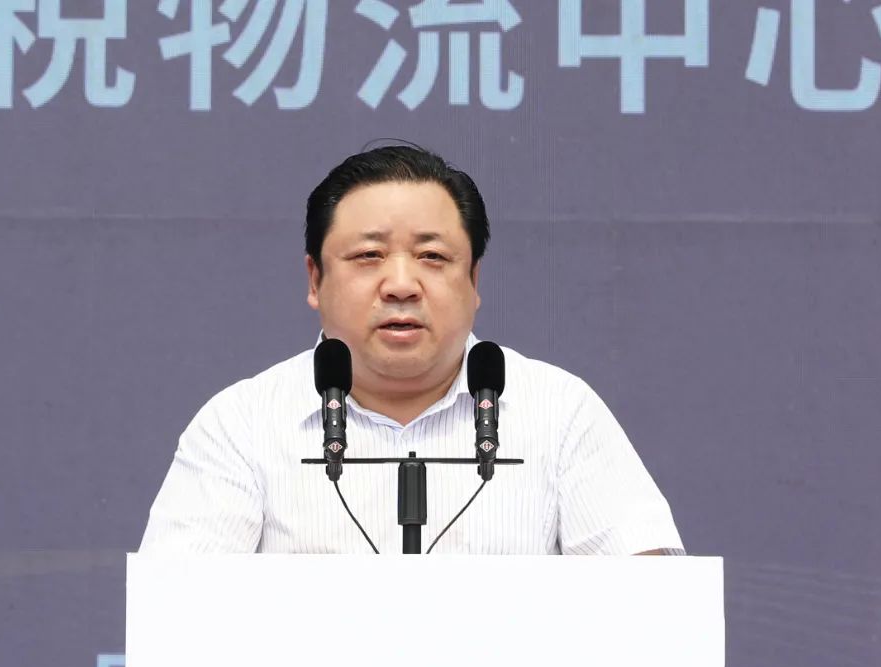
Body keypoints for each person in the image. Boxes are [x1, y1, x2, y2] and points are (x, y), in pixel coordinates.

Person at [139, 145, 683, 555]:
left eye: (432, 257)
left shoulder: (560, 412)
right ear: (315, 279)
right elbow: (178, 615)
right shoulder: (240, 424)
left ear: (473, 281)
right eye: (369, 256)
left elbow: (653, 606)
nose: (401, 285)